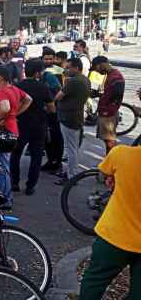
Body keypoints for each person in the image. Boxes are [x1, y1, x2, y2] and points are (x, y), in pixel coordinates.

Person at [78, 145, 141, 299]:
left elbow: (103, 173)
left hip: (114, 234)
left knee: (94, 282)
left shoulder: (121, 153)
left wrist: (114, 177)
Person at [0, 65, 32, 207]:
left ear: (0, 77)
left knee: (1, 165)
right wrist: (15, 114)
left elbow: (5, 107)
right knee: (3, 162)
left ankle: (6, 198)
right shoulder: (14, 89)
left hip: (2, 132)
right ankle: (4, 194)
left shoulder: (2, 92)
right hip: (11, 129)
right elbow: (28, 99)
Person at [10, 61, 55, 195]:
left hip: (20, 124)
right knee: (36, 156)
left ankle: (14, 182)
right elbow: (52, 108)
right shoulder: (43, 87)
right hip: (39, 125)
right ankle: (30, 186)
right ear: (37, 73)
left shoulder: (17, 86)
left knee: (15, 154)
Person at [54, 57, 91, 183]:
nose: (66, 69)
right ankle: (68, 172)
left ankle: (71, 175)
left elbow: (59, 96)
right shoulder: (85, 79)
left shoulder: (73, 81)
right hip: (75, 116)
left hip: (69, 118)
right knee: (70, 147)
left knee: (71, 149)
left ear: (76, 68)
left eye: (69, 67)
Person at [92, 56, 125, 154]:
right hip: (106, 112)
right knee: (107, 140)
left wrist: (108, 109)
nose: (97, 71)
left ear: (101, 64)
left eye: (96, 68)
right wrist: (99, 94)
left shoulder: (116, 76)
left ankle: (111, 164)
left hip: (108, 114)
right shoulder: (111, 74)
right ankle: (109, 162)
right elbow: (111, 93)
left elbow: (117, 95)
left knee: (109, 141)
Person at [42, 48, 64, 173]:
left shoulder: (59, 72)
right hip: (45, 109)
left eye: (51, 58)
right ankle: (51, 160)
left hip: (54, 109)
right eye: (46, 59)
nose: (49, 61)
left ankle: (56, 162)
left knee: (56, 137)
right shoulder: (42, 71)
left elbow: (60, 89)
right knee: (47, 138)